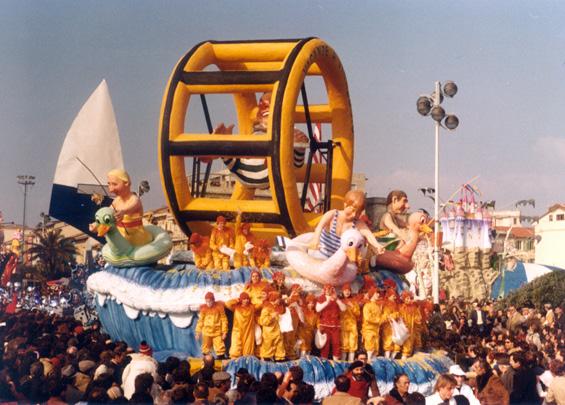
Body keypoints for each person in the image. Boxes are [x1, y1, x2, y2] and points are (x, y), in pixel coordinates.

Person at [310, 189, 385, 257]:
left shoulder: (357, 223)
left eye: (358, 213)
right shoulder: (332, 215)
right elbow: (319, 227)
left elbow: (368, 235)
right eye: (352, 210)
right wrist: (316, 239)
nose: (354, 215)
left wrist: (377, 245)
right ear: (345, 204)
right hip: (321, 254)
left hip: (337, 260)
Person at [105, 168, 152, 246]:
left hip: (136, 235)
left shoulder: (134, 199)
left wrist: (123, 212)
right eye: (109, 184)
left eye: (114, 184)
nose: (111, 189)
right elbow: (108, 212)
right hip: (121, 236)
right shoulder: (116, 201)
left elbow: (130, 208)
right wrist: (97, 223)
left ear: (126, 183)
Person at [317, 284, 347, 361]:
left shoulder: (336, 298)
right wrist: (327, 302)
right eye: (327, 289)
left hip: (335, 326)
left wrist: (337, 300)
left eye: (330, 289)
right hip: (325, 325)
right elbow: (318, 309)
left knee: (336, 344)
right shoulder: (321, 298)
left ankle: (336, 362)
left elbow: (344, 309)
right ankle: (324, 361)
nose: (328, 291)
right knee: (325, 345)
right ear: (324, 290)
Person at [195, 292, 228, 359]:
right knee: (205, 348)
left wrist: (224, 332)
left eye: (210, 301)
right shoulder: (204, 309)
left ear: (213, 300)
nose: (208, 303)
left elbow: (224, 319)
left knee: (220, 347)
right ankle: (206, 362)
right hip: (206, 332)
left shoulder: (219, 307)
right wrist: (198, 332)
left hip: (217, 332)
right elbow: (200, 321)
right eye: (207, 301)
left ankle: (221, 360)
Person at [225, 292, 256, 358]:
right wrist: (237, 300)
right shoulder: (236, 307)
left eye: (247, 299)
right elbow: (227, 304)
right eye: (244, 299)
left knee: (248, 353)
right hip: (237, 331)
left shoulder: (252, 307)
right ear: (241, 300)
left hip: (248, 332)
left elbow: (260, 305)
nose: (246, 300)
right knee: (235, 350)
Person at [258, 291, 286, 361]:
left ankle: (280, 361)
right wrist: (271, 317)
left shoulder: (276, 307)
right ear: (274, 299)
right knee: (267, 352)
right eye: (278, 299)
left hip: (277, 333)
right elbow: (262, 321)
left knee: (280, 350)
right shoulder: (266, 308)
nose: (279, 300)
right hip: (269, 334)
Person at [361, 287, 384, 362]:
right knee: (369, 348)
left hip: (376, 330)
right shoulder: (367, 306)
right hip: (368, 330)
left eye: (378, 293)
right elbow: (367, 318)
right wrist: (378, 320)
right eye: (376, 293)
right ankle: (367, 363)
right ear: (372, 294)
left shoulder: (377, 306)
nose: (378, 294)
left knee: (375, 348)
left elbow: (380, 318)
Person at [340, 284, 361, 362]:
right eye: (345, 290)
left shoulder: (354, 301)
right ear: (342, 292)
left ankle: (351, 361)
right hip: (343, 325)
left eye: (348, 290)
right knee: (344, 344)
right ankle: (343, 361)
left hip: (352, 325)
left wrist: (352, 306)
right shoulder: (340, 301)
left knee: (353, 343)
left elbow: (358, 313)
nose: (347, 292)